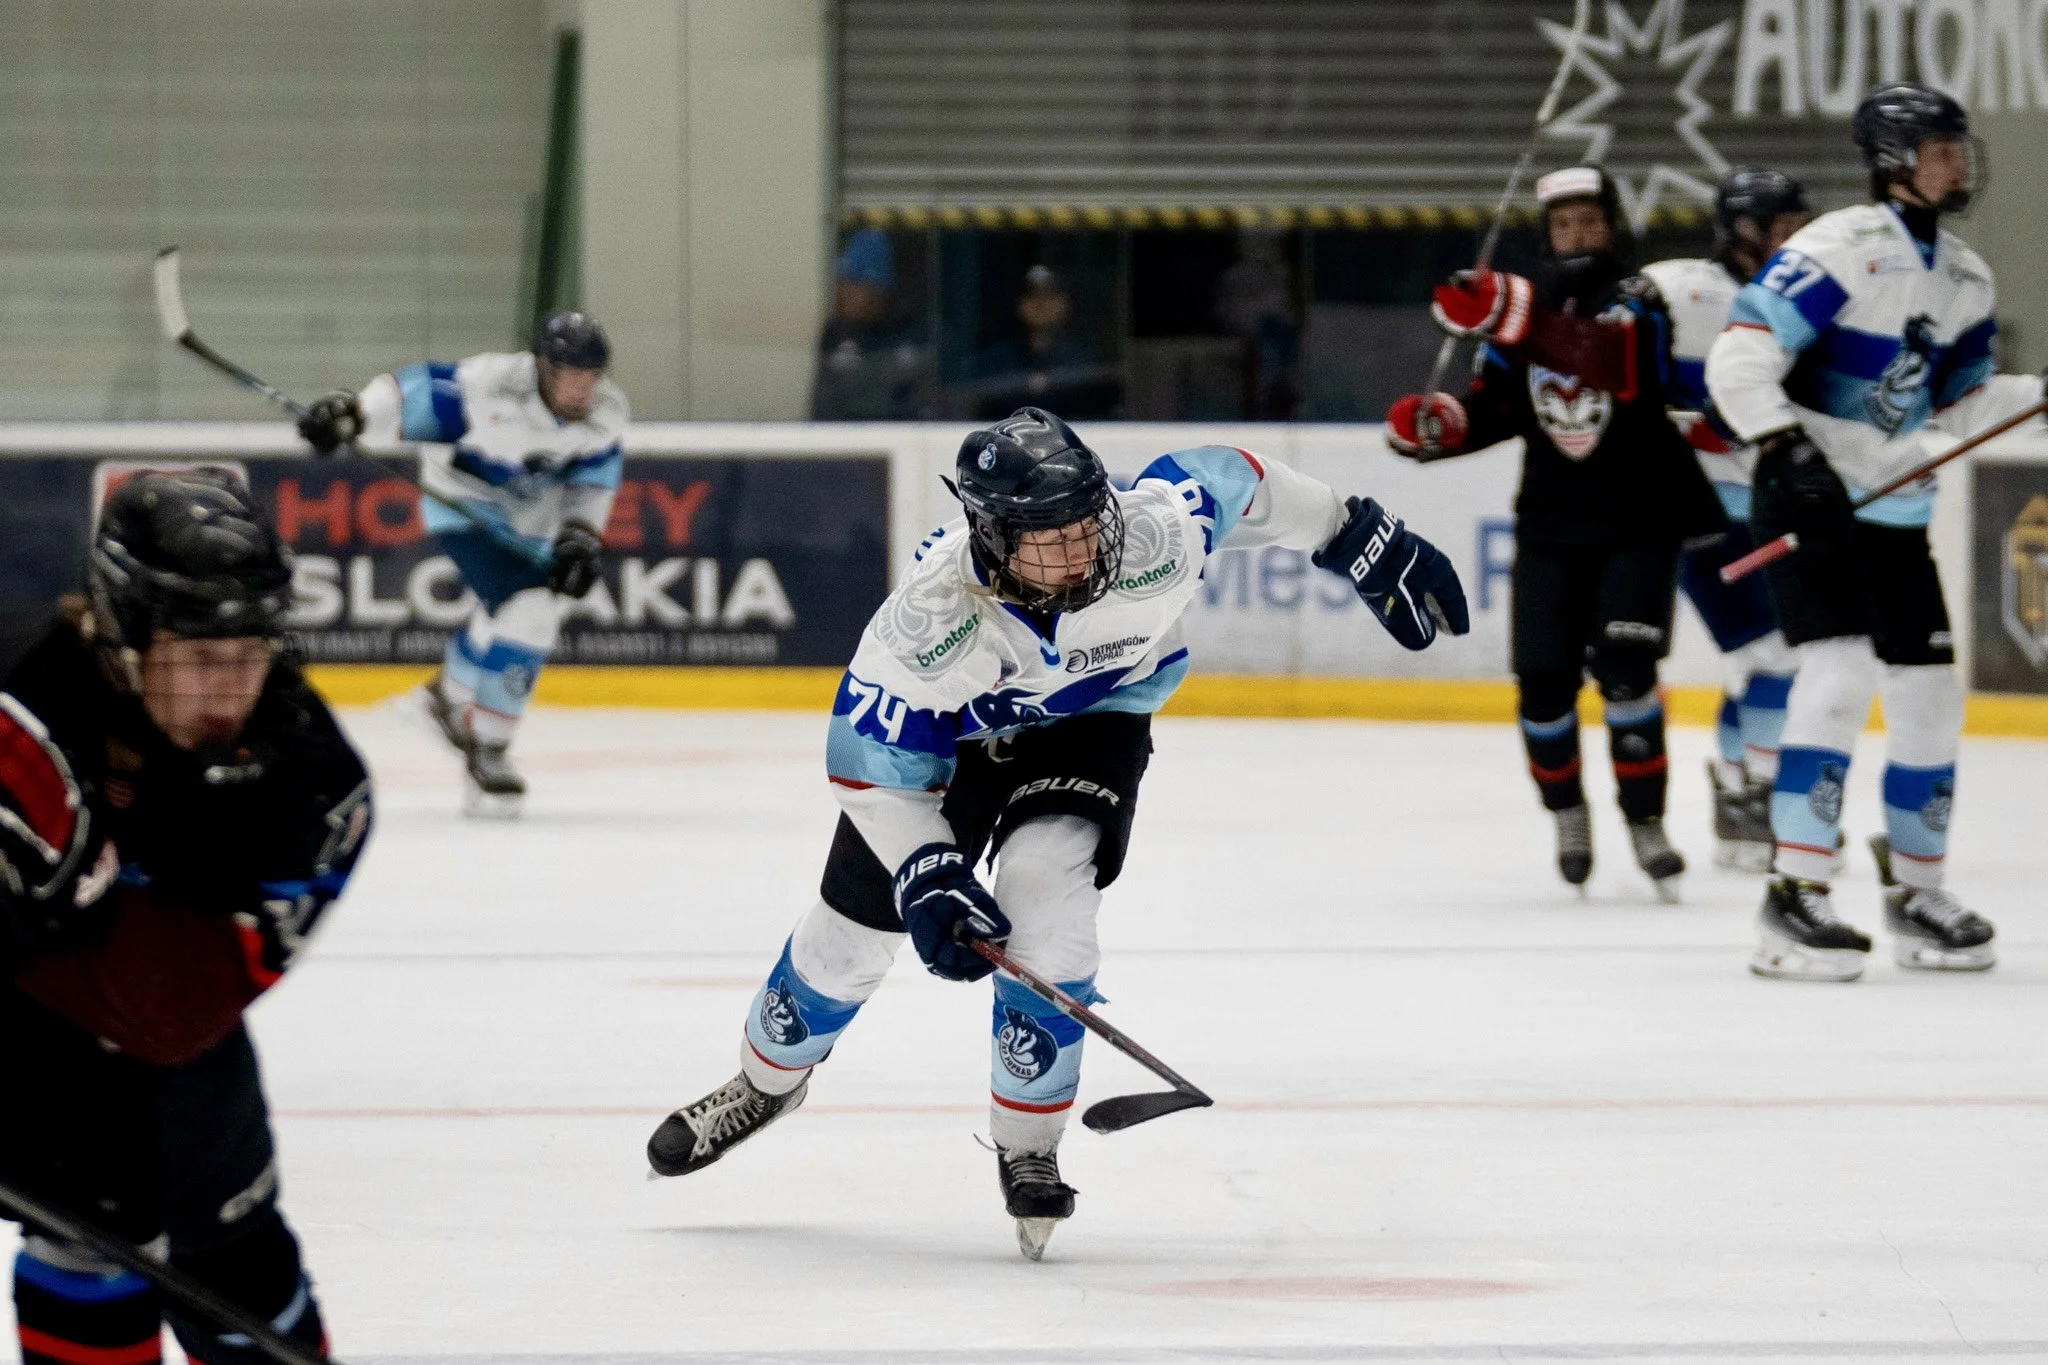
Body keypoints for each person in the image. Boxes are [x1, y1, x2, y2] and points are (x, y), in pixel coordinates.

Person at [645, 407, 1468, 1259]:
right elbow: (869, 762)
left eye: (1086, 522)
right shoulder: (930, 618)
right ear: (994, 536)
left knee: (1045, 899)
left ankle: (1029, 1143)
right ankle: (765, 1082)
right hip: (957, 746)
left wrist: (1358, 533)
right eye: (1050, 537)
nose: (1082, 550)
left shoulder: (1153, 535)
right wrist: (928, 871)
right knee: (847, 944)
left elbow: (1238, 476)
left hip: (1096, 724)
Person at [0, 470, 372, 1365]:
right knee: (86, 1245)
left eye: (252, 653)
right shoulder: (22, 703)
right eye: (201, 658)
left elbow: (170, 1011)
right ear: (124, 636)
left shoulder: (311, 783)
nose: (231, 689)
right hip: (31, 1052)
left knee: (234, 1258)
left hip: (183, 1081)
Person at [1706, 82, 2040, 981]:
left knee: (1930, 694)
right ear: (1893, 161)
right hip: (1807, 499)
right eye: (1940, 149)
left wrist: (2041, 395)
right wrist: (1784, 445)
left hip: (1895, 508)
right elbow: (1742, 351)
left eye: (1959, 147)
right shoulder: (1836, 247)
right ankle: (1794, 892)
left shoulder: (1965, 275)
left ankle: (1917, 893)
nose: (1958, 163)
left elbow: (1961, 403)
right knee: (1841, 672)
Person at [1391, 165, 1724, 900]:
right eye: (1564, 224)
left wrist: (1511, 313)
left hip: (1639, 521)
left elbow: (1621, 369)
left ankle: (1646, 822)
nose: (1578, 235)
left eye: (1590, 222)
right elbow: (1499, 405)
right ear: (1548, 235)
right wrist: (1443, 426)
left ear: (1614, 227)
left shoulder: (1639, 300)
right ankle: (1569, 814)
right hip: (1549, 524)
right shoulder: (1522, 312)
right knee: (1543, 687)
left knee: (1628, 672)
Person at [295, 311, 627, 816]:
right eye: (571, 374)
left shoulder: (606, 413)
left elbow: (591, 483)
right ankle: (489, 747)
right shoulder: (490, 386)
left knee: (510, 613)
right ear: (544, 366)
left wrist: (580, 537)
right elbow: (417, 392)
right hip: (464, 509)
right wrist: (354, 413)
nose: (584, 388)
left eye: (592, 375)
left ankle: (443, 697)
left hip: (527, 523)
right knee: (533, 608)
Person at [1635, 169, 1812, 870]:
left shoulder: (1805, 302)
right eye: (1784, 226)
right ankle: (1758, 794)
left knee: (1763, 658)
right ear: (1744, 229)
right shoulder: (1675, 288)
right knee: (1776, 655)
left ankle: (1741, 795)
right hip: (1697, 509)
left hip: (1767, 506)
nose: (1798, 238)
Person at [809, 228, 935, 421]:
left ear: (880, 290)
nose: (845, 293)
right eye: (843, 282)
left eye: (855, 283)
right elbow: (822, 408)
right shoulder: (836, 332)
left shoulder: (913, 337)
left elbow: (921, 415)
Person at [971, 265, 1118, 420]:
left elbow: (1094, 411)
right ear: (1021, 305)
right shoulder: (997, 361)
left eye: (1050, 296)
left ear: (1065, 304)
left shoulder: (1084, 360)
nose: (1041, 304)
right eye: (1033, 296)